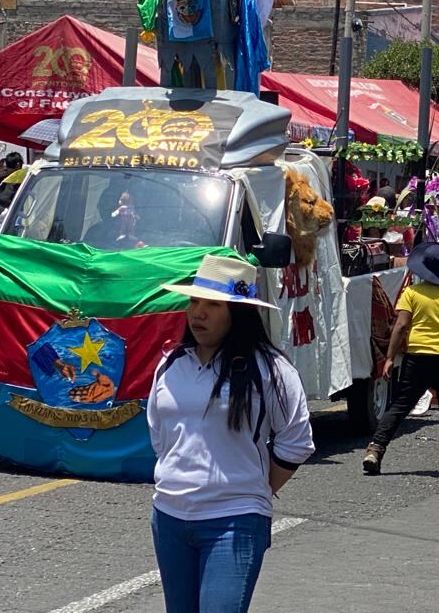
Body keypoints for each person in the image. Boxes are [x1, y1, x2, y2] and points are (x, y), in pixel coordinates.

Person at [147, 254, 314, 613]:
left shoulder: (271, 368)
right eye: (194, 302)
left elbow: (296, 441)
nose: (198, 313)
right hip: (169, 516)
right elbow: (160, 437)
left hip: (235, 520)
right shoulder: (170, 364)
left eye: (213, 305)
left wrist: (254, 489)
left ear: (238, 312)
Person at [363, 243, 439, 477]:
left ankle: (376, 449)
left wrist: (390, 357)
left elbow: (401, 325)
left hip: (418, 356)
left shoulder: (412, 293)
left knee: (401, 404)